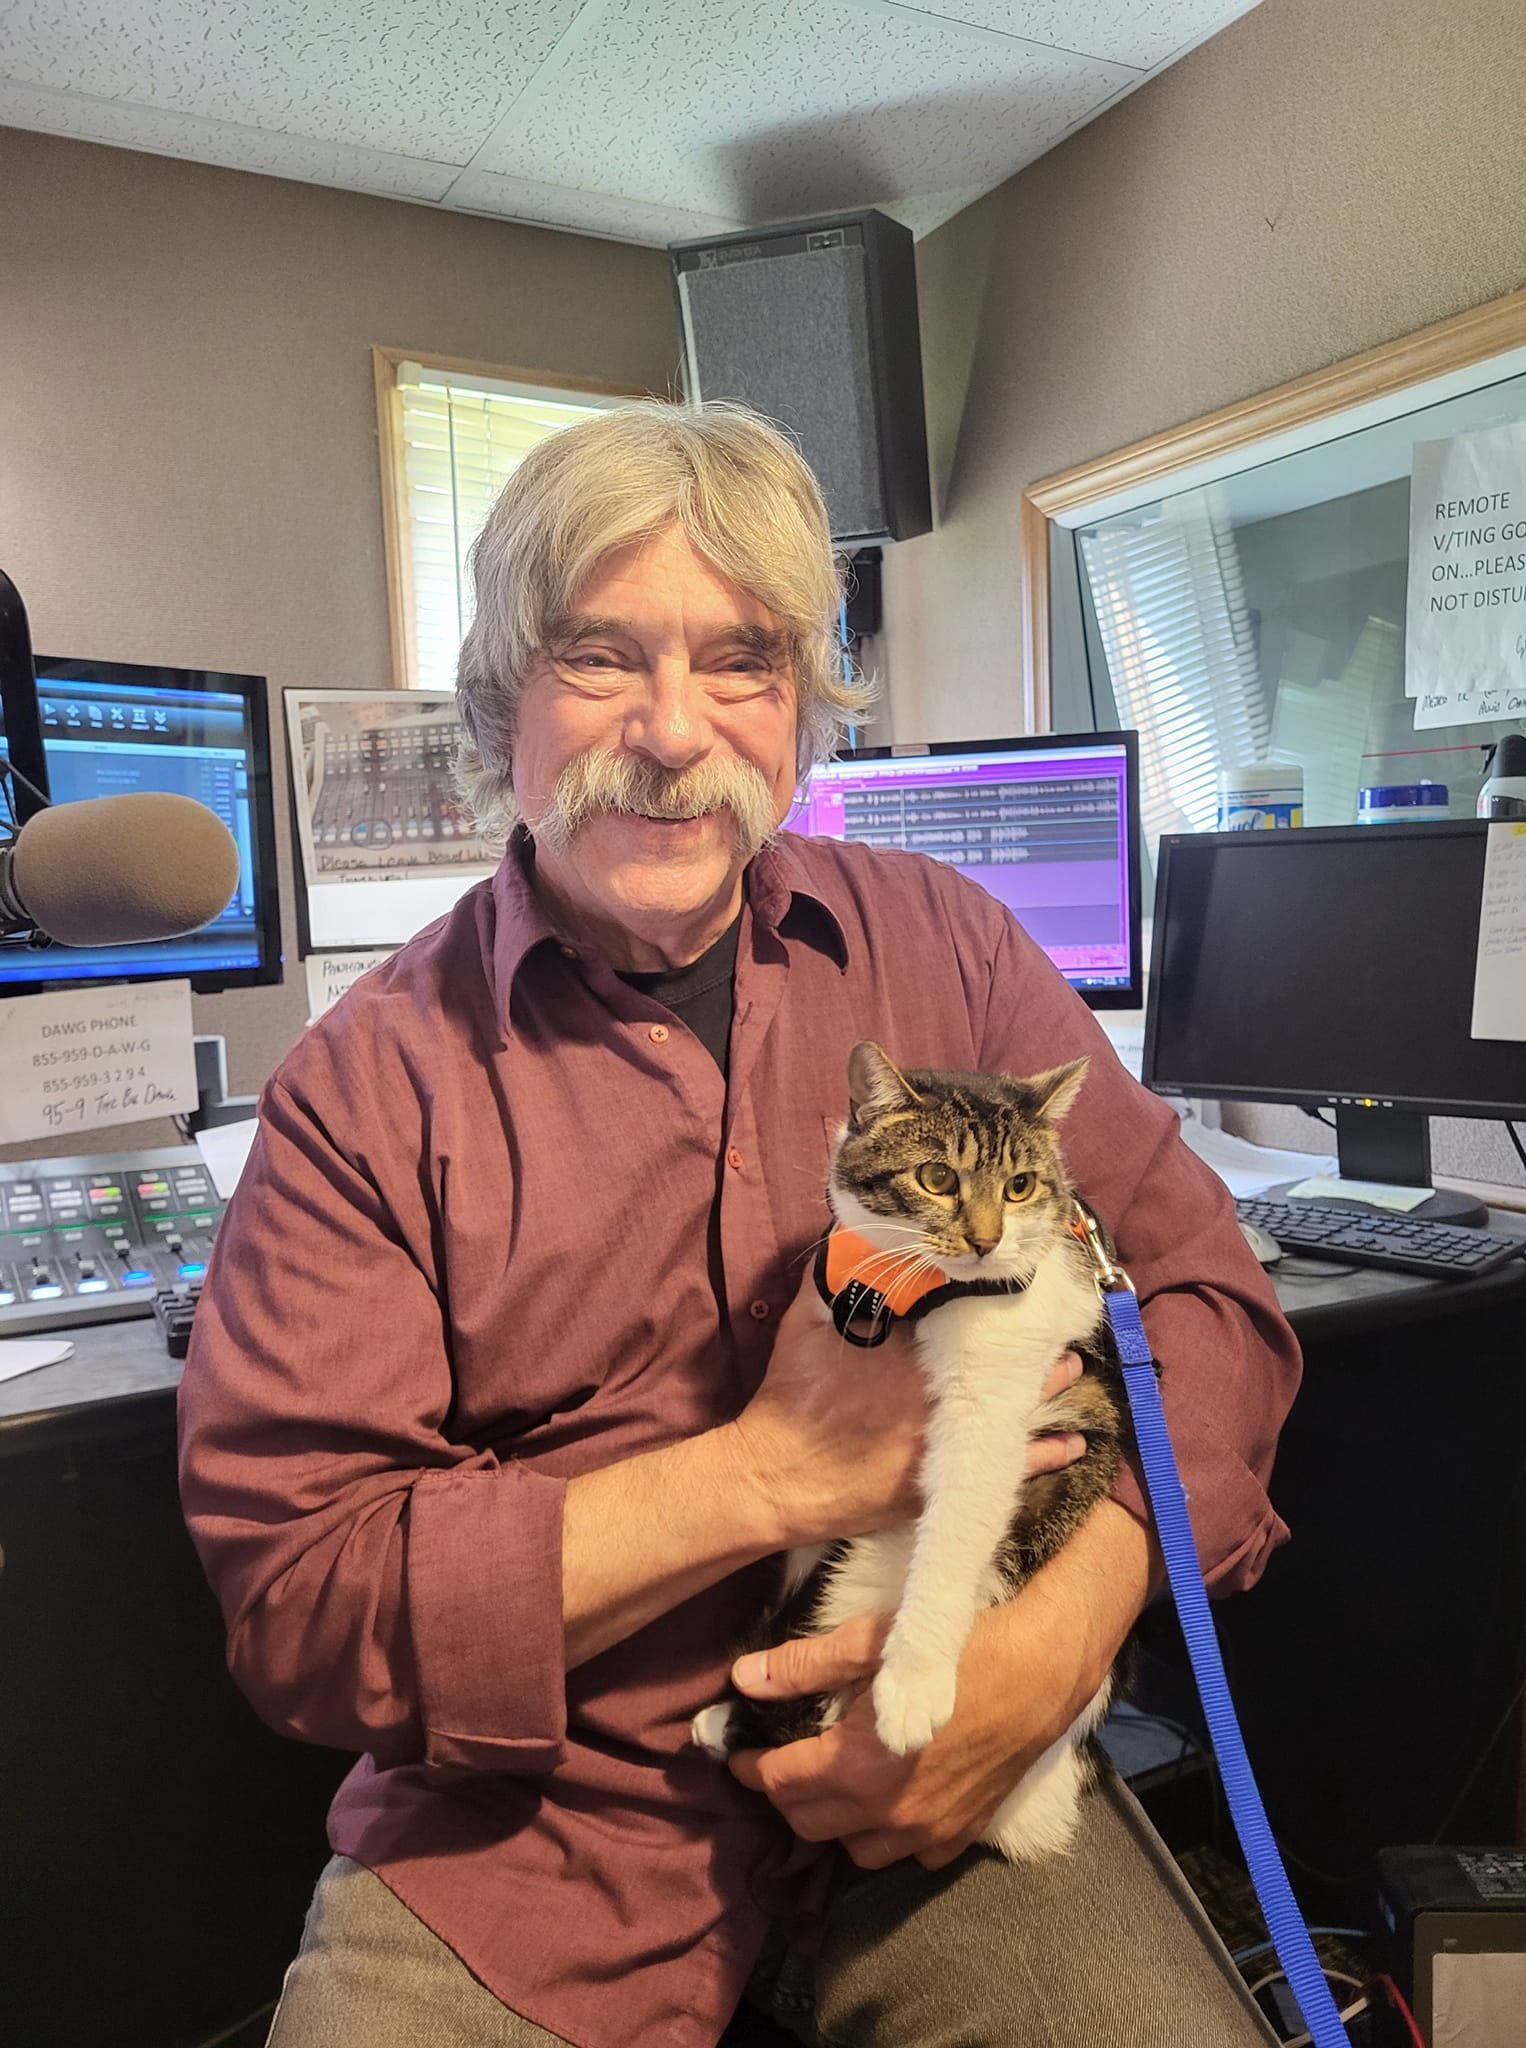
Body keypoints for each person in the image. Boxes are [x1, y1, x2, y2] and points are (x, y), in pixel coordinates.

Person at [177, 402, 1301, 2048]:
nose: (674, 726)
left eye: (743, 661)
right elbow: (304, 1594)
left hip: (953, 1747)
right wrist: (769, 1472)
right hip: (537, 1842)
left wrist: (1068, 1629)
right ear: (507, 705)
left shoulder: (953, 953)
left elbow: (1209, 1303)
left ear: (798, 717)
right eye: (601, 655)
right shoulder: (366, 1089)